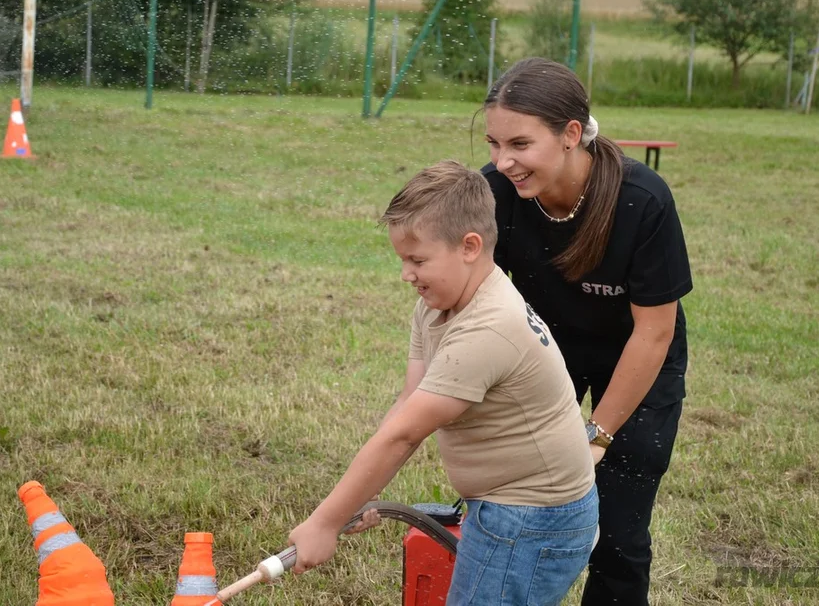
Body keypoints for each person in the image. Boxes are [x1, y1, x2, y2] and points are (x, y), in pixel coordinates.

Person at [289, 160, 598, 605]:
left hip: (534, 518)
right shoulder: (439, 305)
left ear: (469, 246)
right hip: (506, 507)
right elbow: (409, 404)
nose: (406, 275)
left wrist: (324, 524)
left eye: (417, 260)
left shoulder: (488, 328)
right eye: (402, 260)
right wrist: (363, 495)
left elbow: (405, 435)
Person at [481, 57, 693, 606]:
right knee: (514, 503)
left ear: (572, 134)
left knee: (619, 530)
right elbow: (471, 295)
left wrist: (596, 435)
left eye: (520, 145)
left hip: (640, 357)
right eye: (493, 143)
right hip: (547, 349)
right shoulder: (495, 192)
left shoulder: (642, 200)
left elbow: (654, 333)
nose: (504, 161)